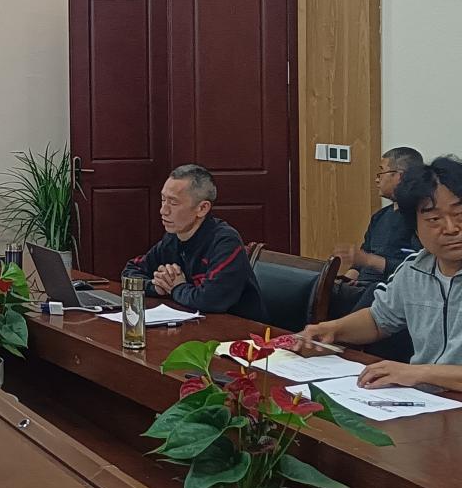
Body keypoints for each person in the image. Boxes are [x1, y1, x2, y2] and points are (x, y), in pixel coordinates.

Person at [297, 156, 462, 391]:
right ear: (415, 228)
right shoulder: (414, 269)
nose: (451, 228)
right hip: (426, 401)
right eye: (434, 219)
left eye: (460, 215)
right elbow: (379, 320)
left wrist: (419, 373)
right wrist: (333, 329)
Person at [122, 164, 266, 320]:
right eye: (163, 200)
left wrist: (177, 288)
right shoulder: (172, 238)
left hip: (240, 330)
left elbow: (210, 300)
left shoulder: (225, 241)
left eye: (173, 203)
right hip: (195, 325)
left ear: (202, 208)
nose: (163, 210)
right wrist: (156, 286)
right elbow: (130, 272)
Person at [330, 147, 424, 316]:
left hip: (386, 290)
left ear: (400, 176)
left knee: (372, 293)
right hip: (360, 287)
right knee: (319, 288)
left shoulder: (418, 218)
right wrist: (347, 278)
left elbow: (417, 268)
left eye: (381, 172)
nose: (376, 179)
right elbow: (362, 258)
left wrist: (370, 260)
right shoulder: (380, 216)